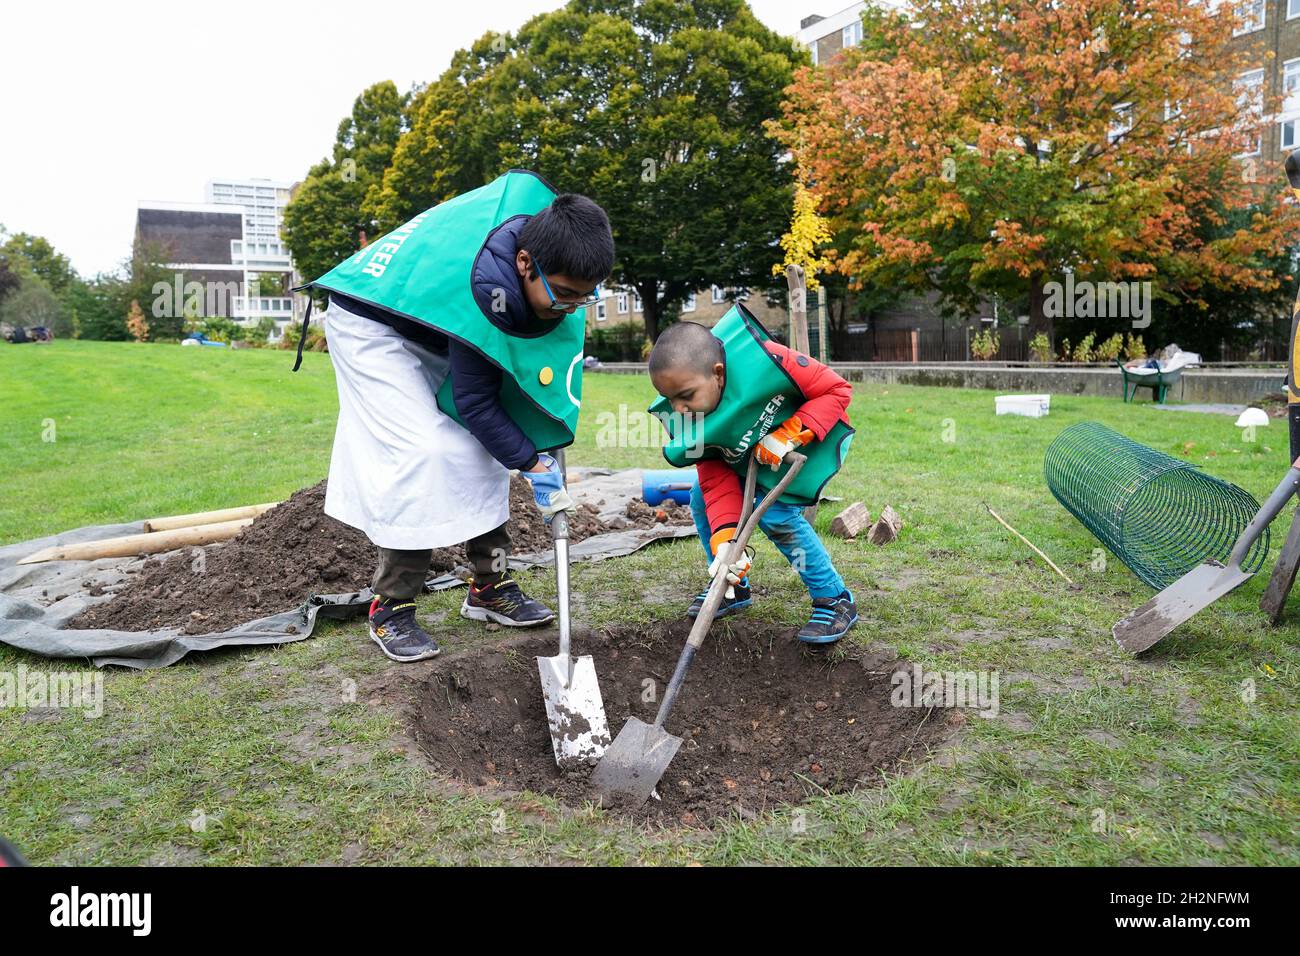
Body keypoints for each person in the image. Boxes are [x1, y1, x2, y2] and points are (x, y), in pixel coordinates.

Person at [297, 170, 614, 662]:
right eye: (565, 295)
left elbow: (515, 390)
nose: (573, 308)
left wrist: (539, 440)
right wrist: (532, 465)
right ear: (525, 264)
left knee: (481, 449)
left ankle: (488, 586)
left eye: (585, 296)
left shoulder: (542, 266)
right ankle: (391, 607)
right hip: (372, 321)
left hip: (433, 322)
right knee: (426, 451)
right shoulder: (486, 293)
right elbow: (477, 403)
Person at [647, 309, 858, 643]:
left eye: (686, 396)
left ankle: (835, 600)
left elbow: (836, 390)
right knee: (702, 499)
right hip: (742, 457)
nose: (679, 410)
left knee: (776, 516)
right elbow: (717, 482)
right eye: (670, 400)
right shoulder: (690, 421)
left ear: (717, 374)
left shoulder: (768, 359)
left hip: (797, 446)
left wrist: (789, 434)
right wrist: (726, 545)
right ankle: (732, 584)